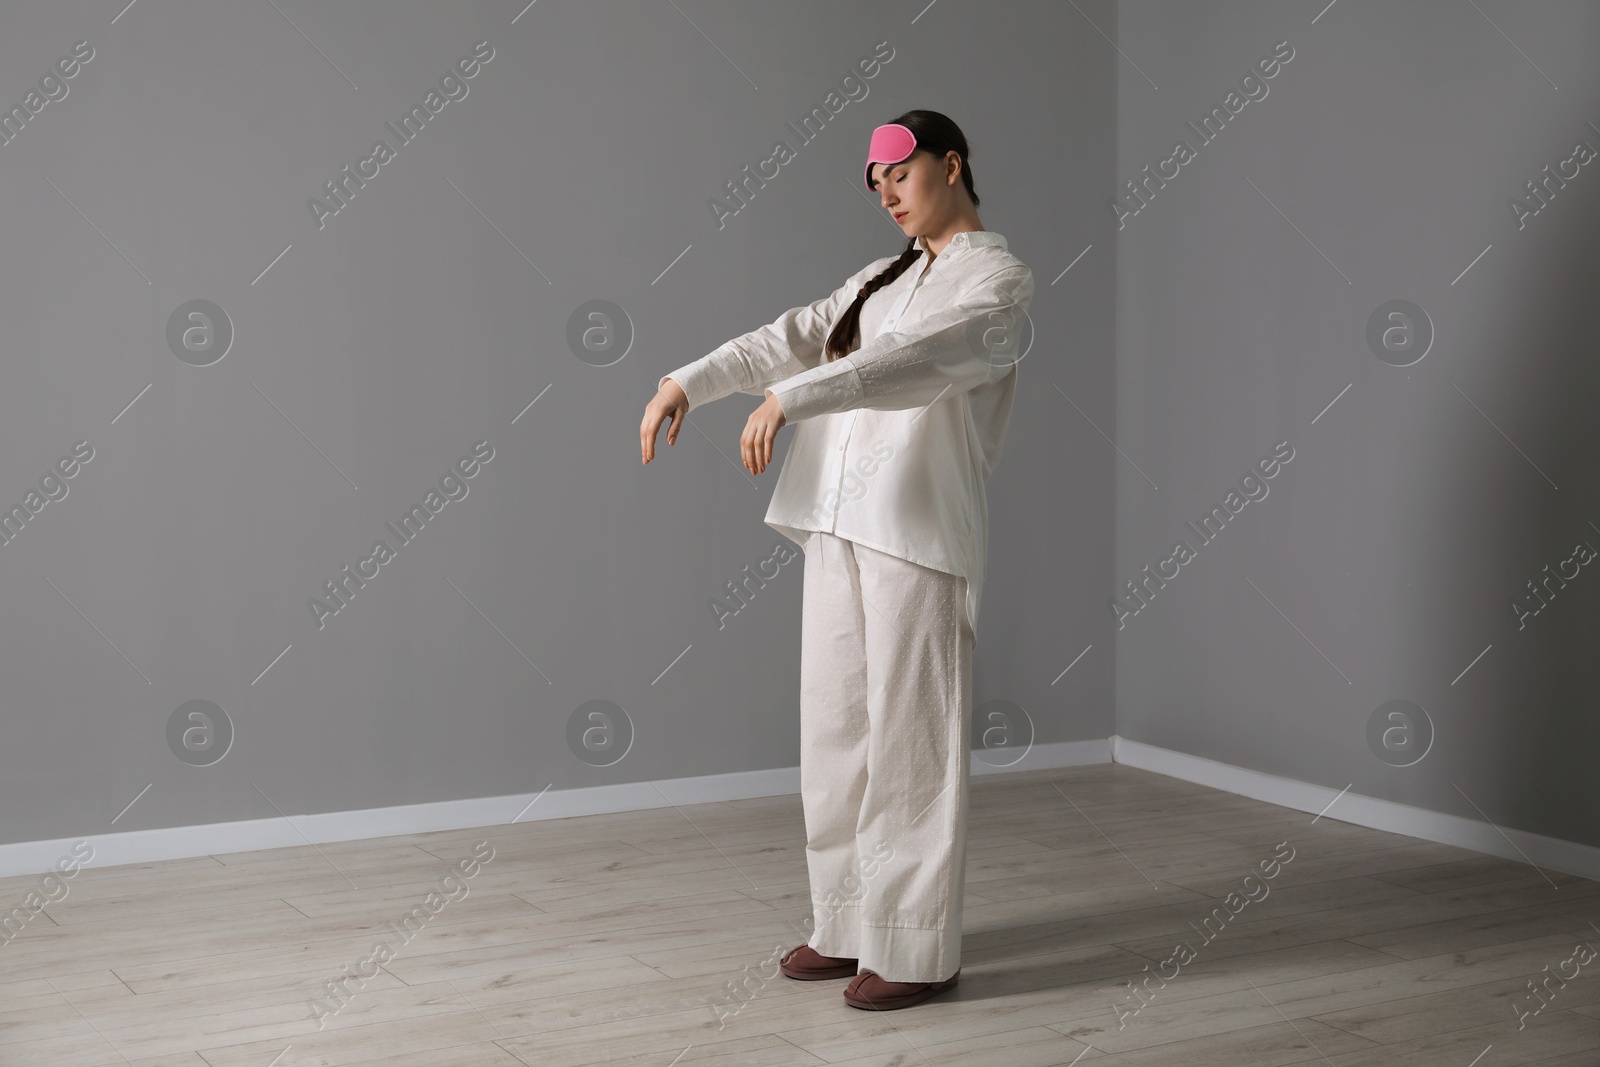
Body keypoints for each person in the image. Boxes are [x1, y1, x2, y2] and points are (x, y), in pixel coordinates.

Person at [639, 109, 1033, 1012]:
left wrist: (791, 398)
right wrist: (687, 380)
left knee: (911, 740)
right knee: (835, 730)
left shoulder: (998, 283)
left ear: (952, 162)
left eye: (901, 168)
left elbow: (922, 362)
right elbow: (793, 333)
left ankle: (920, 946)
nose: (887, 189)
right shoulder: (879, 279)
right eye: (874, 178)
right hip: (835, 522)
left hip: (919, 530)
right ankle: (849, 924)